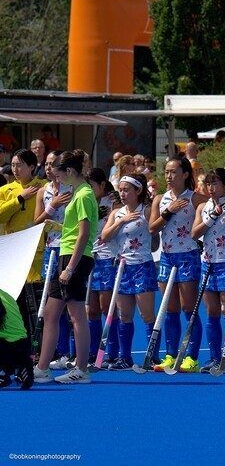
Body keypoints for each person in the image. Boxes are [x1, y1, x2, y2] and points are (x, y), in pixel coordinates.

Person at [33, 150, 97, 384]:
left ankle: (78, 369)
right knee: (56, 313)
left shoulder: (82, 195)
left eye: (59, 175)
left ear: (69, 172)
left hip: (74, 258)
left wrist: (69, 268)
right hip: (69, 254)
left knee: (74, 315)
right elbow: (75, 231)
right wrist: (58, 227)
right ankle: (47, 367)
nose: (57, 180)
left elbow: (84, 234)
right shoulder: (79, 192)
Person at [149, 158, 207, 372]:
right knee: (169, 308)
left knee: (187, 307)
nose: (169, 176)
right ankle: (170, 355)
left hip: (188, 256)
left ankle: (192, 357)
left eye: (174, 172)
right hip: (166, 256)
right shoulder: (159, 199)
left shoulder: (196, 199)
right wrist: (169, 211)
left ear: (185, 174)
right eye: (166, 172)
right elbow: (152, 228)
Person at [100, 173, 158, 370]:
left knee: (147, 315)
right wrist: (120, 221)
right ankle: (125, 358)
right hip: (122, 267)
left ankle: (153, 356)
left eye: (126, 190)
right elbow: (105, 236)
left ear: (138, 191)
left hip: (142, 265)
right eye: (120, 190)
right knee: (124, 315)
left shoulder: (147, 210)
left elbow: (155, 235)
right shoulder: (116, 213)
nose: (122, 194)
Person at [192, 168, 225, 374]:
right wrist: (211, 217)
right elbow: (195, 233)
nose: (211, 188)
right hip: (208, 262)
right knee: (211, 311)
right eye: (208, 184)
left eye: (215, 184)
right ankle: (214, 357)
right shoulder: (203, 207)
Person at [33, 151, 74, 370]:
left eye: (53, 164)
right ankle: (55, 351)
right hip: (50, 249)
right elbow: (37, 222)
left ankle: (69, 352)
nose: (49, 168)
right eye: (47, 164)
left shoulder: (73, 189)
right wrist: (53, 205)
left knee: (69, 303)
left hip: (68, 249)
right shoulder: (43, 191)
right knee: (50, 302)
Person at [0, 150, 46, 334]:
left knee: (37, 303)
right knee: (15, 304)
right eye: (13, 165)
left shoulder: (44, 187)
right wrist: (20, 198)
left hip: (36, 252)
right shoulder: (5, 190)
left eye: (20, 165)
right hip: (12, 253)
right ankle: (20, 344)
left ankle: (40, 348)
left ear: (32, 167)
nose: (15, 169)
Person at [87, 168, 122, 368]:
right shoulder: (85, 200)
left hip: (108, 256)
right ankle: (92, 351)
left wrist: (112, 209)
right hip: (90, 256)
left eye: (92, 186)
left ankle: (112, 352)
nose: (89, 190)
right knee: (90, 309)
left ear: (102, 185)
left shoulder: (113, 202)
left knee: (106, 307)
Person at [0, 287, 34, 389]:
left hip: (5, 348)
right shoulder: (5, 295)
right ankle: (23, 367)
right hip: (23, 344)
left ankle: (2, 374)